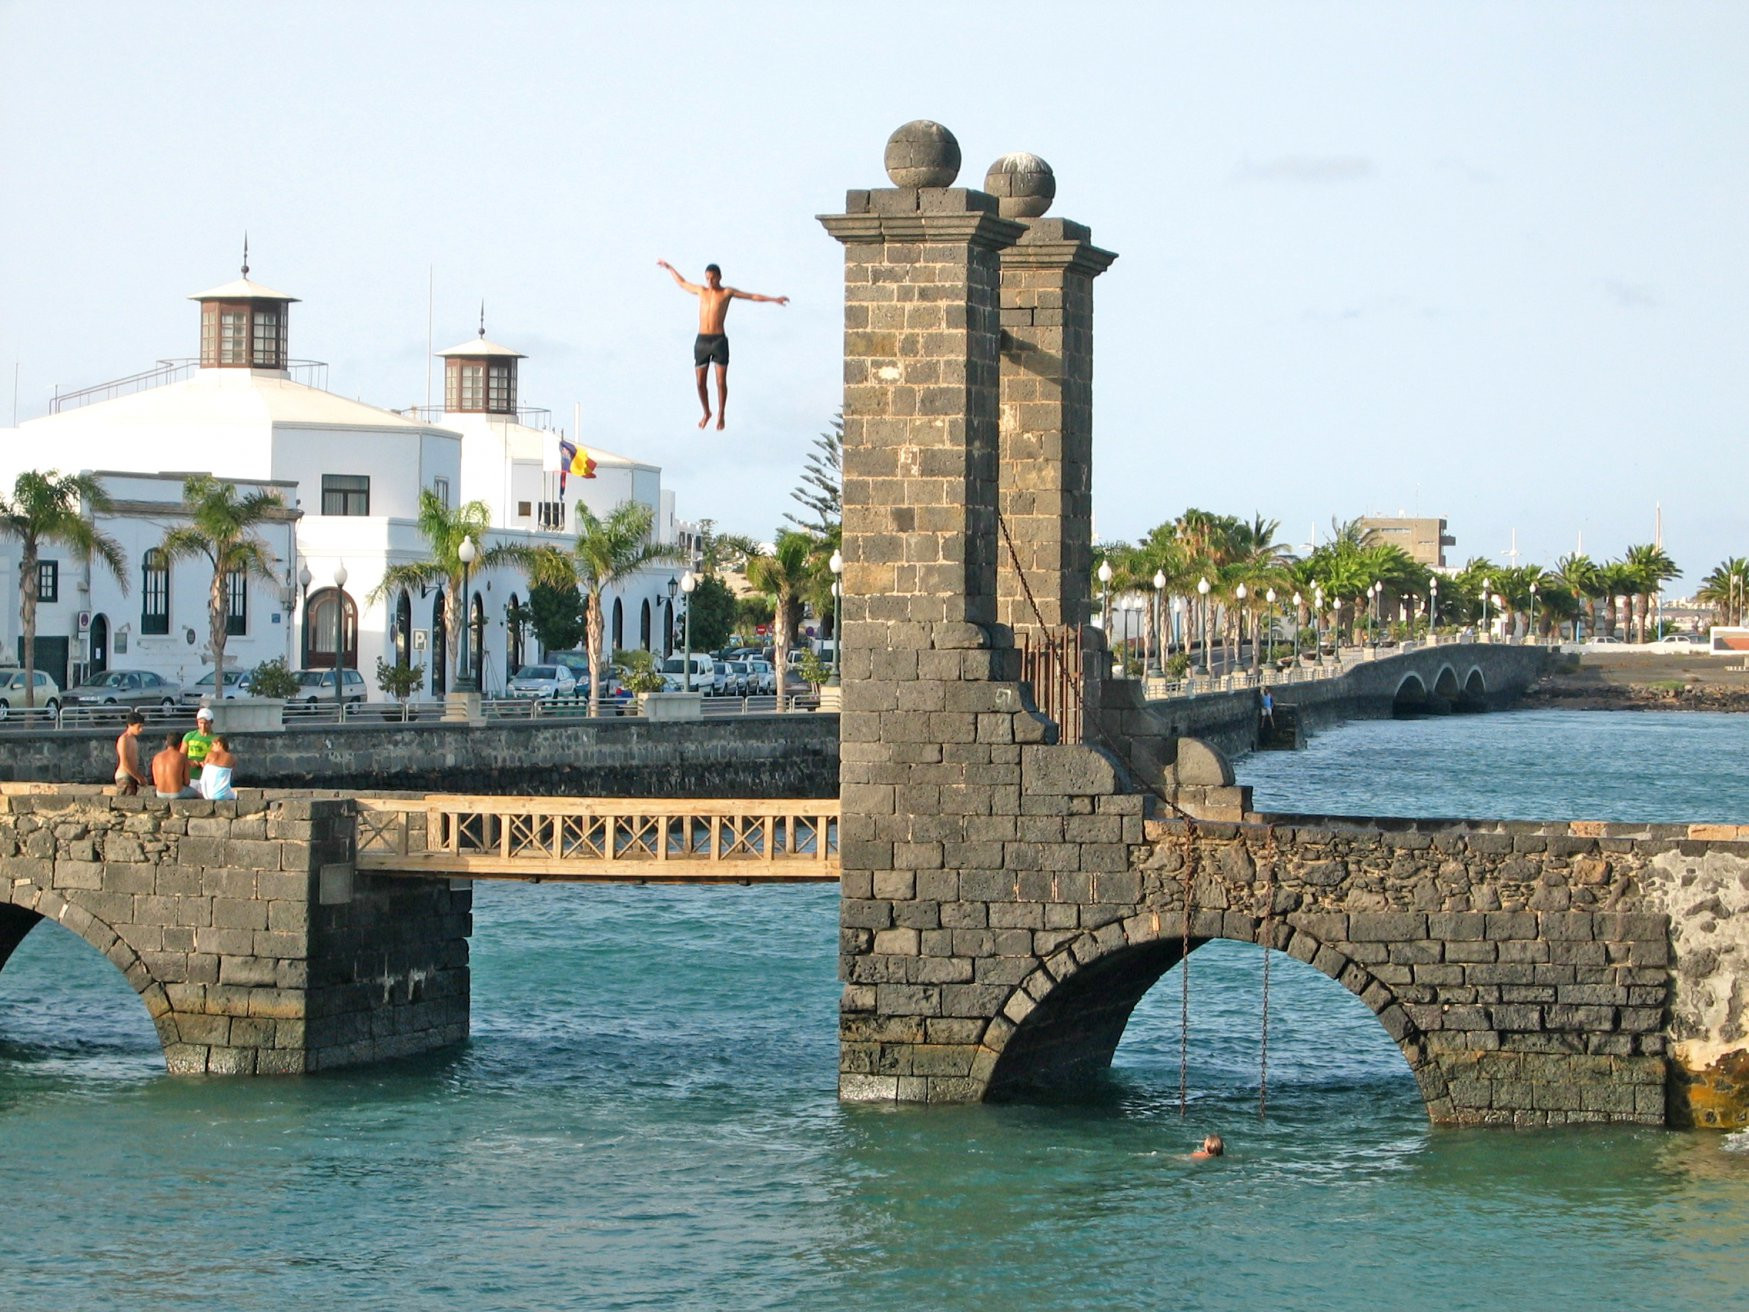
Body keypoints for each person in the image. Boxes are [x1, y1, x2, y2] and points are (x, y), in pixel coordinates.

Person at [656, 259, 788, 430]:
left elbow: (752, 296)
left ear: (719, 277)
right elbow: (682, 283)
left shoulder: (727, 292)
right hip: (702, 341)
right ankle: (707, 412)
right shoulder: (701, 291)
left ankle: (721, 413)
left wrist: (774, 299)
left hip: (719, 341)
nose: (710, 282)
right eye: (707, 279)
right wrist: (669, 268)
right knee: (700, 383)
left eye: (712, 278)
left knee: (720, 381)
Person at [151, 732, 197, 800]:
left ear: (166, 743)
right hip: (177, 793)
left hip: (160, 793)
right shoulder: (182, 757)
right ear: (180, 744)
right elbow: (187, 782)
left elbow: (156, 782)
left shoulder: (156, 757)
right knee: (199, 793)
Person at [113, 711, 148, 795]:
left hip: (131, 775)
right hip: (124, 775)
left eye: (142, 726)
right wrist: (138, 777)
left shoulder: (133, 739)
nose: (141, 729)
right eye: (138, 726)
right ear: (130, 725)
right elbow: (124, 762)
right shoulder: (123, 739)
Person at [182, 706, 215, 783]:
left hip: (207, 778)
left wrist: (207, 764)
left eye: (206, 723)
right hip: (190, 777)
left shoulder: (217, 740)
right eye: (201, 723)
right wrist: (190, 762)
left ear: (211, 722)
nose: (203, 726)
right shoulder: (189, 736)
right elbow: (180, 756)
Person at [198, 736, 236, 801]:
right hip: (225, 795)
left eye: (213, 745)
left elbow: (206, 768)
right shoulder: (232, 758)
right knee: (235, 794)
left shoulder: (210, 754)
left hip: (208, 795)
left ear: (219, 744)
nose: (211, 748)